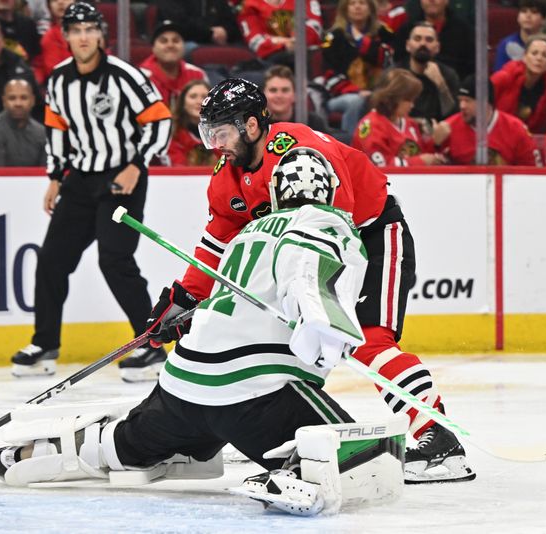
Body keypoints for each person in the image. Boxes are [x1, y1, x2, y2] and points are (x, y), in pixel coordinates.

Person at [0, 147, 407, 518]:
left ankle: (33, 454)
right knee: (375, 459)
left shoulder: (246, 233)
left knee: (124, 443)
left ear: (276, 192)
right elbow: (305, 271)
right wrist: (321, 325)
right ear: (332, 190)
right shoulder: (329, 225)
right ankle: (295, 477)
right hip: (256, 397)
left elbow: (219, 298)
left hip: (181, 389)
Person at [145, 77, 476, 484]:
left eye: (223, 133)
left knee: (370, 339)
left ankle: (439, 438)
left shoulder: (301, 152)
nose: (216, 144)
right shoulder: (226, 175)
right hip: (307, 254)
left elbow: (332, 226)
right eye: (209, 134)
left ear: (251, 125)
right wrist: (185, 297)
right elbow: (217, 243)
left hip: (369, 235)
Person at [10, 2, 172, 381]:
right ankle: (44, 344)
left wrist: (137, 164)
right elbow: (57, 131)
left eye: (89, 29)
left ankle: (151, 346)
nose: (82, 36)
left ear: (101, 34)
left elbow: (160, 120)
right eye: (75, 30)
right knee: (52, 260)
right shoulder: (58, 79)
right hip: (80, 180)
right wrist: (54, 177)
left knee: (114, 260)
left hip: (122, 179)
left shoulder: (124, 75)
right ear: (64, 36)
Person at [319, 0, 394, 139]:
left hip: (379, 91)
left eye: (362, 3)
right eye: (352, 3)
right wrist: (357, 91)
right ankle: (351, 143)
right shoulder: (334, 37)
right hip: (341, 96)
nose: (357, 7)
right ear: (345, 9)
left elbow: (388, 62)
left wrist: (363, 42)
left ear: (371, 8)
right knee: (356, 101)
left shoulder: (384, 33)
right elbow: (329, 75)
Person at [432, 75, 540, 166]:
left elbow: (534, 170)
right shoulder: (449, 128)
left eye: (467, 101)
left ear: (486, 103)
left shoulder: (516, 128)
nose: (462, 106)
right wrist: (436, 144)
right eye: (460, 100)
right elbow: (427, 167)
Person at [351, 69, 445, 167]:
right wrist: (419, 162)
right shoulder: (370, 126)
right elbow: (380, 165)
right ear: (392, 98)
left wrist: (435, 143)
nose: (412, 105)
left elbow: (421, 155)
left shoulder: (410, 123)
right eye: (408, 100)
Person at [395, 21, 459, 125]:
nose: (423, 44)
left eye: (429, 40)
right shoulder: (395, 74)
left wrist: (441, 85)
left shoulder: (448, 74)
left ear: (437, 47)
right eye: (417, 39)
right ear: (407, 45)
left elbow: (453, 117)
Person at [491, 34, 546, 133]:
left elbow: (537, 126)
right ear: (525, 56)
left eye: (545, 55)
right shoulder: (504, 77)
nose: (539, 58)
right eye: (534, 53)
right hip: (495, 133)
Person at [263, 64, 347, 143]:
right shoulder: (257, 125)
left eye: (285, 90)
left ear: (295, 95)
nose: (279, 95)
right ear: (263, 94)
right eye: (273, 90)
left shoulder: (313, 122)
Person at [393, 0, 474, 80]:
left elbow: (471, 66)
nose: (431, 0)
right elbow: (398, 62)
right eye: (417, 39)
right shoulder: (406, 30)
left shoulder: (464, 31)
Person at [493, 0, 546, 91]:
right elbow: (499, 81)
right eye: (523, 11)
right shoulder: (505, 45)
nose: (528, 16)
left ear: (543, 20)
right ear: (518, 17)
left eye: (534, 12)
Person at [138, 20, 208, 111]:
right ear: (153, 48)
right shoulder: (141, 77)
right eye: (164, 41)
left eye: (176, 40)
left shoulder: (197, 74)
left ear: (183, 46)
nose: (170, 45)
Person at [0, 78, 46, 166]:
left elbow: (45, 174)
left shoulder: (41, 133)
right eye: (12, 98)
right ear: (4, 101)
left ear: (32, 101)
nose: (18, 103)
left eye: (24, 98)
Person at [237, 0, 324, 64]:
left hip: (308, 52)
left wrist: (276, 40)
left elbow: (315, 31)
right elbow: (256, 42)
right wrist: (285, 45)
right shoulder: (249, 5)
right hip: (274, 59)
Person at [165, 79, 216, 166]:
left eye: (204, 97)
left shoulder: (223, 133)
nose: (199, 102)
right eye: (193, 96)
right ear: (183, 103)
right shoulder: (171, 133)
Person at [155, 0, 242, 48]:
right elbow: (179, 23)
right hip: (185, 41)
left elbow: (233, 24)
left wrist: (225, 31)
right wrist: (210, 33)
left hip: (218, 43)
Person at [32, 0, 74, 85]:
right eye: (54, 0)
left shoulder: (91, 31)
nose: (60, 2)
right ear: (49, 6)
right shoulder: (47, 38)